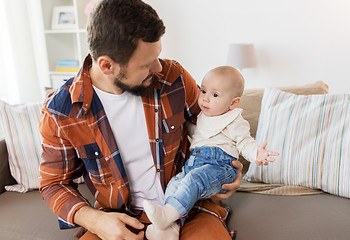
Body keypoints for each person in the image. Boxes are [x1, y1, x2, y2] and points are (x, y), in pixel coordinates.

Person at [39, 0, 242, 239]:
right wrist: (94, 219)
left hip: (191, 207)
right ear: (107, 65)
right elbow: (53, 183)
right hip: (117, 216)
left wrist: (232, 171)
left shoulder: (172, 77)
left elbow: (217, 124)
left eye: (157, 56)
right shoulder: (61, 111)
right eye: (146, 64)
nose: (158, 67)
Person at [143, 66, 280, 238]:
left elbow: (245, 142)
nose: (206, 99)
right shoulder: (202, 116)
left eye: (214, 95)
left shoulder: (235, 120)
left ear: (233, 103)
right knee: (176, 184)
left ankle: (166, 217)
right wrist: (180, 124)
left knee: (194, 180)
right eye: (203, 91)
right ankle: (170, 228)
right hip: (194, 164)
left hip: (220, 166)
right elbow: (196, 133)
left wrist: (256, 153)